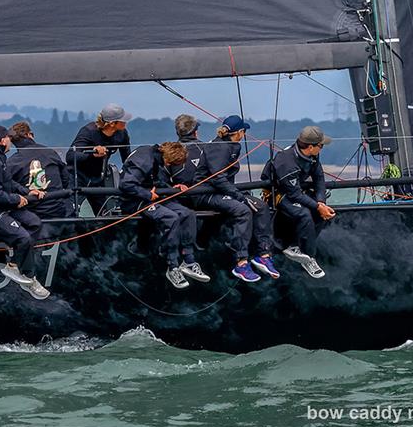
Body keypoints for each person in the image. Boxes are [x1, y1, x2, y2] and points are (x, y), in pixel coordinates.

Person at [194, 115, 278, 283]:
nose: (244, 134)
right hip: (205, 194)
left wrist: (238, 195)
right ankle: (241, 262)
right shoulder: (219, 147)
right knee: (243, 210)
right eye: (244, 131)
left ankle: (263, 254)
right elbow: (217, 178)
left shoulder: (232, 145)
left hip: (220, 192)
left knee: (260, 206)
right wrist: (239, 197)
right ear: (239, 132)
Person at [0, 126, 50, 300]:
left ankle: (14, 265)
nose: (10, 140)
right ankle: (30, 278)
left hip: (3, 205)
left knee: (34, 223)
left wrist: (28, 192)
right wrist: (16, 199)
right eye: (8, 137)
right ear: (1, 141)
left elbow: (9, 183)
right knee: (23, 238)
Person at [119, 141, 210, 289]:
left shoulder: (155, 156)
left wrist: (172, 188)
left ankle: (188, 260)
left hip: (151, 196)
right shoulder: (145, 160)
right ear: (168, 160)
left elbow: (155, 180)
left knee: (188, 214)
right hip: (134, 201)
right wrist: (147, 194)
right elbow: (125, 184)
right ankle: (172, 266)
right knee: (171, 218)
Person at [261, 126, 336, 278]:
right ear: (310, 147)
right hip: (278, 193)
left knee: (323, 214)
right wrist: (317, 206)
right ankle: (309, 257)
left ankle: (295, 246)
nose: (321, 148)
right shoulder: (286, 162)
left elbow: (319, 178)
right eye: (320, 145)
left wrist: (321, 202)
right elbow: (293, 194)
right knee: (304, 214)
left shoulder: (312, 156)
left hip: (296, 190)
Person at [66, 104, 132, 215]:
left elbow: (127, 159)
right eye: (122, 120)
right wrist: (92, 154)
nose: (126, 122)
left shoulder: (122, 134)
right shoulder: (88, 131)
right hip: (78, 178)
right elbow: (70, 156)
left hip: (98, 179)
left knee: (104, 215)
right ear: (112, 123)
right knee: (71, 212)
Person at [7, 121, 72, 219]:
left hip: (30, 214)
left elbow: (6, 185)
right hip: (58, 210)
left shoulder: (13, 162)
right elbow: (65, 180)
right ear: (30, 135)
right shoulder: (51, 153)